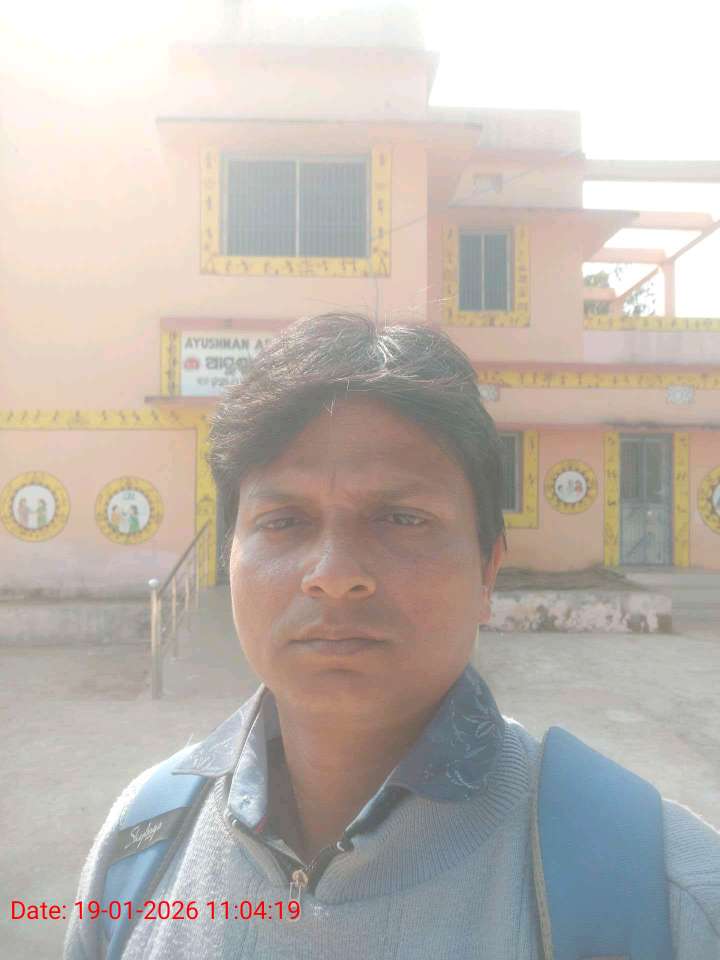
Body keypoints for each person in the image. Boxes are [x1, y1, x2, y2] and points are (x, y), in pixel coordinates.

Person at [64, 313, 720, 959]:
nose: (334, 575)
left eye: (402, 518)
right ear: (230, 554)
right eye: (284, 520)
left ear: (487, 569)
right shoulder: (140, 847)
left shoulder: (669, 896)